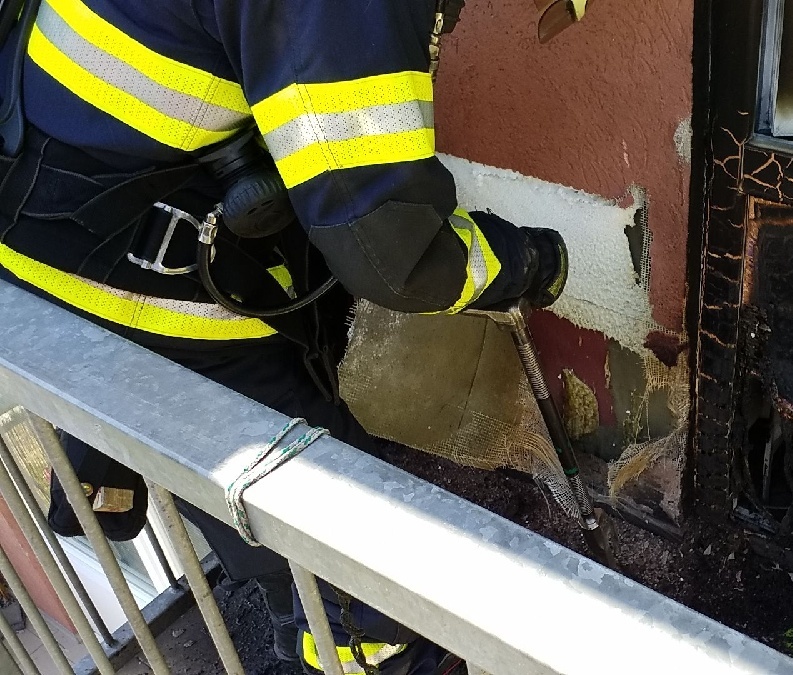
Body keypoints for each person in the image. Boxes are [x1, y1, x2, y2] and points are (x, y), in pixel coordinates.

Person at [0, 0, 568, 673]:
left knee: (214, 458)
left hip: (46, 212)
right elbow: (393, 256)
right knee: (364, 553)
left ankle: (125, 478)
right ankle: (366, 643)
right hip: (114, 261)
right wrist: (524, 262)